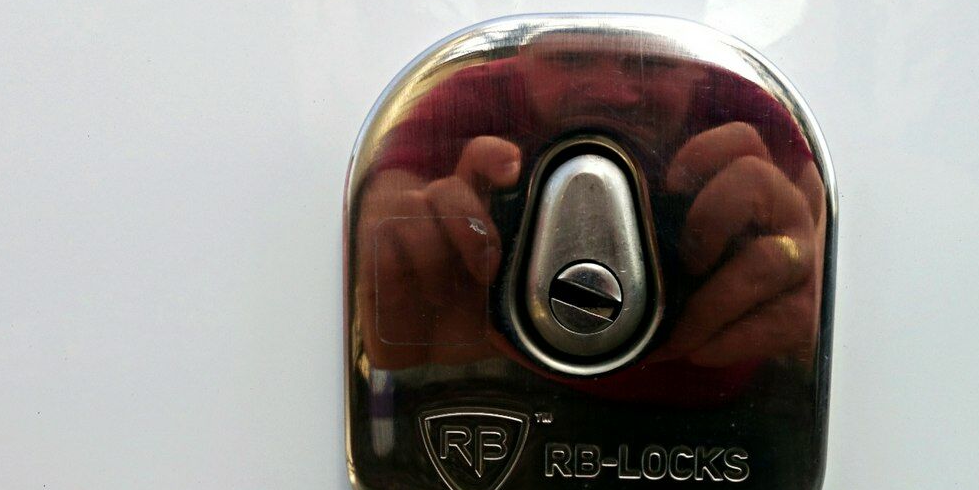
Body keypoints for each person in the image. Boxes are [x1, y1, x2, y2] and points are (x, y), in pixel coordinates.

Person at [353, 30, 827, 402]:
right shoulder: (468, 98)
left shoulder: (748, 106)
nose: (613, 92)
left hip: (728, 402)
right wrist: (408, 267)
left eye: (655, 62)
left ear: (697, 69)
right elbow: (386, 205)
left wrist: (801, 287)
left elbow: (816, 244)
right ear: (523, 60)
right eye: (571, 58)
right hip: (529, 396)